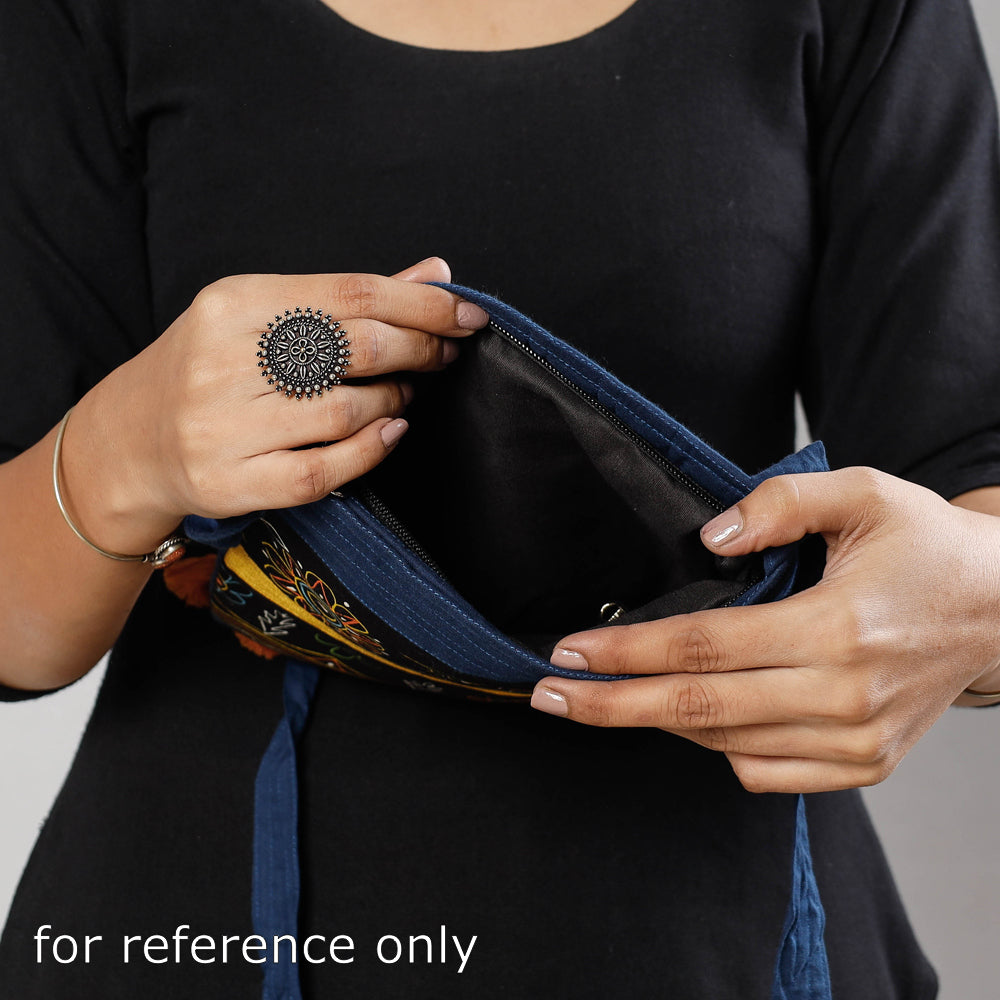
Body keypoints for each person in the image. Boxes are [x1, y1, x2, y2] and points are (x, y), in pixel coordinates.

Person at [1, 0, 998, 996]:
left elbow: (971, 480)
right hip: (204, 928)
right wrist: (122, 448)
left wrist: (968, 606)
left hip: (723, 936)